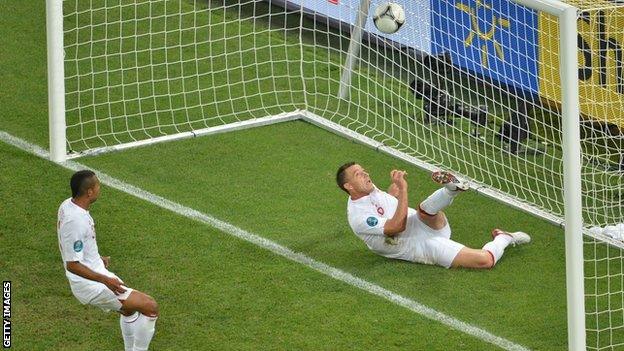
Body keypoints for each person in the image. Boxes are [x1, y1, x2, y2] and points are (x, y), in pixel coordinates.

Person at [336, 162, 530, 269]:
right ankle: (504, 237)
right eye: (358, 174)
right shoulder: (358, 217)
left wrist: (394, 187)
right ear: (349, 186)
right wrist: (403, 190)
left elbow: (387, 200)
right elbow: (396, 227)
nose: (365, 174)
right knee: (485, 260)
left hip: (430, 223)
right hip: (419, 245)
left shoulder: (369, 190)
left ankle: (451, 190)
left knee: (423, 211)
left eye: (364, 170)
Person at [57, 170, 158, 351]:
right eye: (97, 185)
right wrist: (106, 280)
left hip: (95, 272)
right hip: (89, 285)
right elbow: (72, 264)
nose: (99, 188)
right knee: (150, 307)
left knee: (129, 310)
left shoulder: (68, 205)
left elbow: (73, 245)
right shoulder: (76, 221)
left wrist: (96, 258)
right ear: (89, 192)